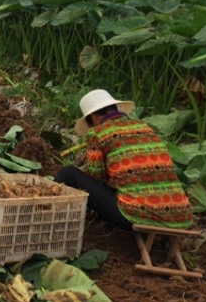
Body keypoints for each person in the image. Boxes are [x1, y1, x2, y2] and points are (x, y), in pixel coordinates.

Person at [55, 89, 193, 231]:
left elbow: (97, 177)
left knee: (68, 173)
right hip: (181, 215)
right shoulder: (145, 128)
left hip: (137, 214)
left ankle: (50, 216)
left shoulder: (98, 133)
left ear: (94, 117)